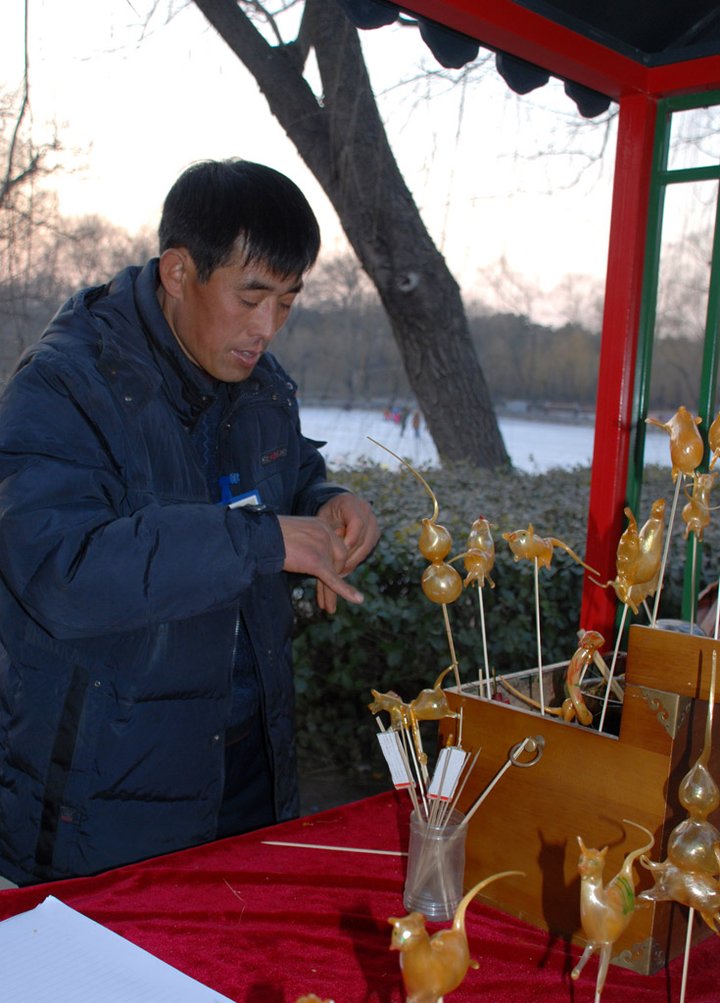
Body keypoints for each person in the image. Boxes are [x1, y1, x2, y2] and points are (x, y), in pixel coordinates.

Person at [0, 159, 379, 886]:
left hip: (247, 769)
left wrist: (332, 502)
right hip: (101, 795)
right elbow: (61, 570)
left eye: (289, 303)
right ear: (179, 272)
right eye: (251, 296)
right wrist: (260, 540)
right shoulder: (64, 383)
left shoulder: (261, 383)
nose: (267, 328)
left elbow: (286, 479)